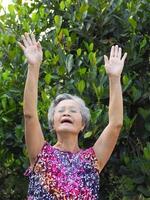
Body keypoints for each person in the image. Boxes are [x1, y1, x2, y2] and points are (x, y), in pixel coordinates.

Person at [18, 33, 127, 200]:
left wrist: (114, 78)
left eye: (73, 111)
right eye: (61, 111)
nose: (66, 112)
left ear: (83, 124)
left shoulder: (92, 159)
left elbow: (116, 124)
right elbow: (30, 115)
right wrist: (34, 66)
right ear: (52, 123)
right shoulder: (40, 152)